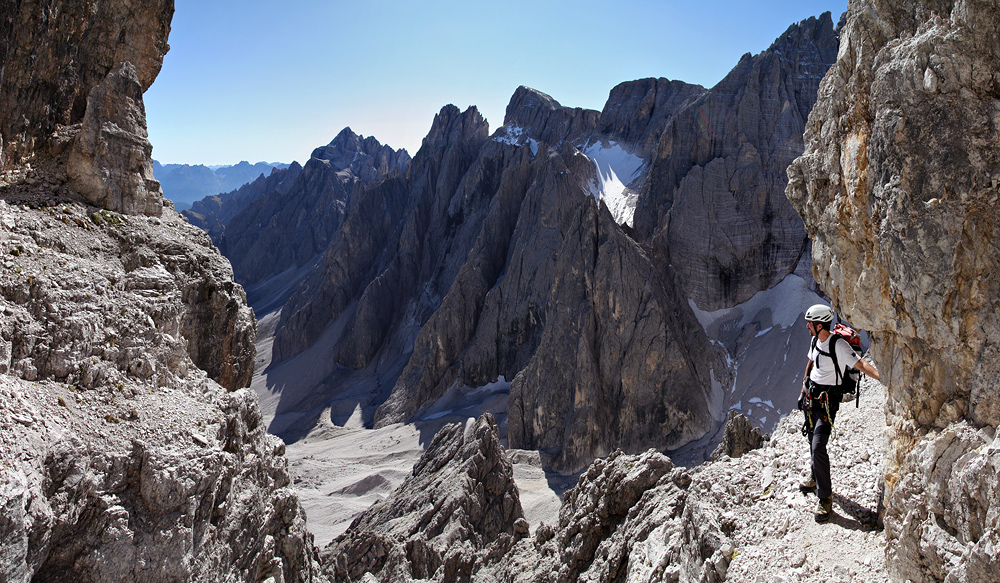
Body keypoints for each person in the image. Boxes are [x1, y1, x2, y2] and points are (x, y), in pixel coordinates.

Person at [799, 304, 880, 523]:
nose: (807, 326)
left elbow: (861, 363)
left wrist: (883, 378)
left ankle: (825, 499)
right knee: (811, 440)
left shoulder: (839, 345)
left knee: (818, 446)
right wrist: (803, 390)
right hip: (812, 399)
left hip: (827, 403)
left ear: (819, 325)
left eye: (810, 323)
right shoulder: (815, 340)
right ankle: (815, 477)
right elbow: (811, 362)